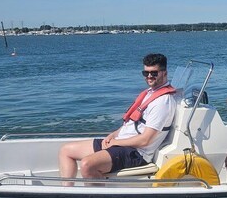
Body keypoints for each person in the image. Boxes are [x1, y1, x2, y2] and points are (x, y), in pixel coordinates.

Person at [58, 53, 176, 185]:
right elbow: (132, 123)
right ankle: (67, 191)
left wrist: (116, 142)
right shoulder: (150, 93)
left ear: (164, 73)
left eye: (154, 73)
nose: (149, 76)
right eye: (145, 73)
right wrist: (113, 135)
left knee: (87, 165)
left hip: (136, 152)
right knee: (66, 151)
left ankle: (96, 196)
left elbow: (145, 140)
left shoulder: (162, 102)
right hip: (123, 143)